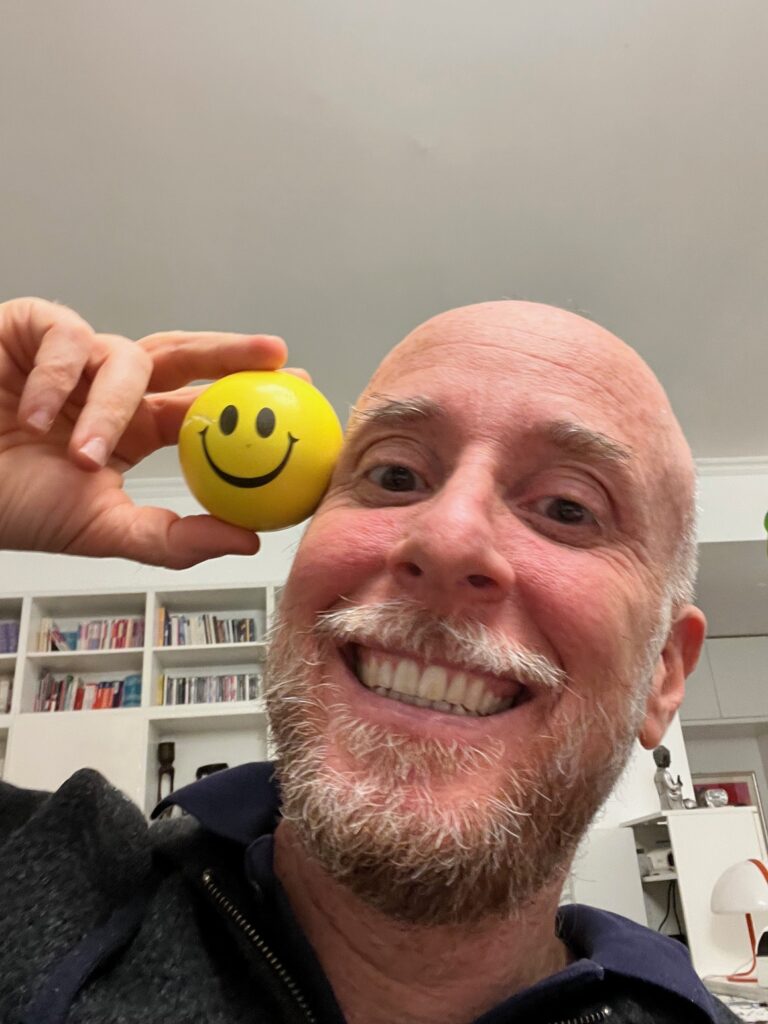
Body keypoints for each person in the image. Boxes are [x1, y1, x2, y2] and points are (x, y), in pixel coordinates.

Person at [0, 296, 736, 1024]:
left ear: (663, 673)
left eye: (568, 507)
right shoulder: (37, 875)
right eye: (395, 475)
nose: (445, 539)